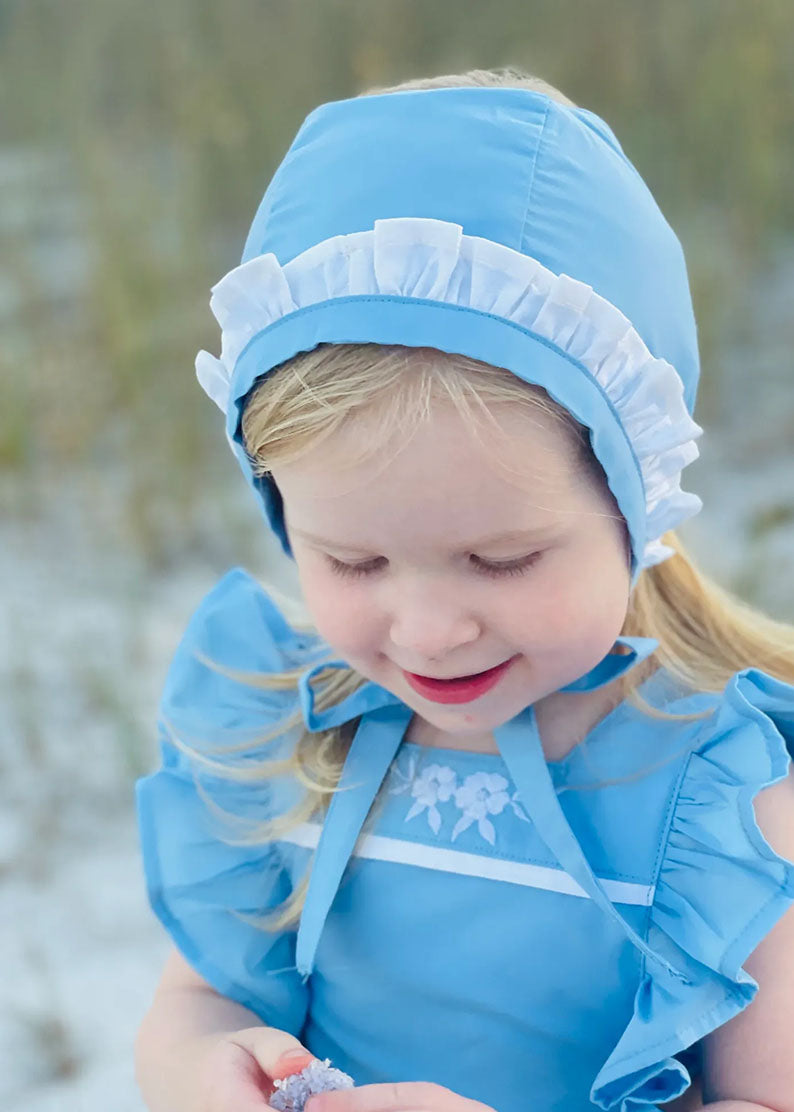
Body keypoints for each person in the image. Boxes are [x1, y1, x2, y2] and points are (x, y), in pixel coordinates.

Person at [133, 68, 794, 1112]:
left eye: (502, 559)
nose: (431, 630)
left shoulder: (719, 795)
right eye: (354, 561)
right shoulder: (287, 732)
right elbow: (194, 1003)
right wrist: (204, 1066)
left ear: (634, 507)